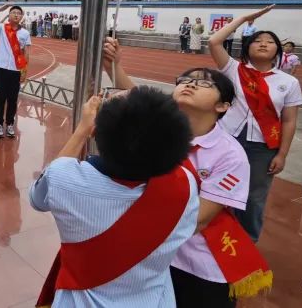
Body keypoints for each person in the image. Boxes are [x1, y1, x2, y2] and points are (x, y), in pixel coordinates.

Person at [103, 39, 272, 306]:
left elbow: (198, 220)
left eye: (205, 83)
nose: (190, 84)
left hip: (198, 266)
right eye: (184, 80)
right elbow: (139, 99)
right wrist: (112, 65)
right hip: (156, 257)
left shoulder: (230, 155)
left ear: (223, 106)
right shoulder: (162, 128)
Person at [30, 89, 198, 307]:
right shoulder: (185, 186)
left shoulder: (65, 179)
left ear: (95, 132)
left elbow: (37, 198)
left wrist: (82, 128)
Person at [208, 5, 302, 242]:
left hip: (263, 146)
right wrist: (244, 18)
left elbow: (289, 120)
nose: (263, 43)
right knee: (215, 188)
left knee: (253, 197)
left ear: (277, 51)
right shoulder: (234, 70)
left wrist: (282, 154)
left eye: (270, 41)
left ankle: (247, 243)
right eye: (257, 40)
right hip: (227, 140)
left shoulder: (288, 82)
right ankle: (212, 237)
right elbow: (214, 42)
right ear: (247, 47)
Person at [0, 3, 31, 139]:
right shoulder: (2, 29)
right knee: (0, 98)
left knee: (13, 99)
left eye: (19, 13)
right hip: (2, 67)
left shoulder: (25, 33)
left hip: (16, 69)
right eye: (14, 12)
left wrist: (24, 71)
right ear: (9, 15)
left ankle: (10, 124)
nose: (16, 14)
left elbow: (27, 54)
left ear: (21, 16)